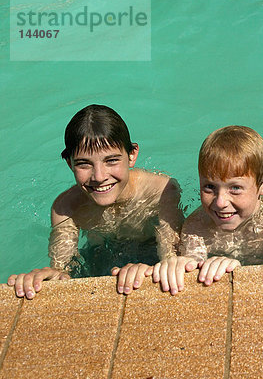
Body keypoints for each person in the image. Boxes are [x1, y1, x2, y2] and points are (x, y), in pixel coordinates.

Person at [7, 104, 183, 299]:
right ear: (69, 163)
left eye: (111, 161)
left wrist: (153, 268)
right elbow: (63, 269)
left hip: (150, 250)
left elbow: (172, 258)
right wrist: (51, 276)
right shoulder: (66, 208)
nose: (99, 177)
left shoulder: (161, 191)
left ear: (132, 155)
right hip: (101, 254)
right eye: (84, 164)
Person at [152, 125, 263, 295]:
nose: (220, 202)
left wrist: (238, 271)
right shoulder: (196, 227)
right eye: (209, 187)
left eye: (235, 188)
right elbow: (191, 280)